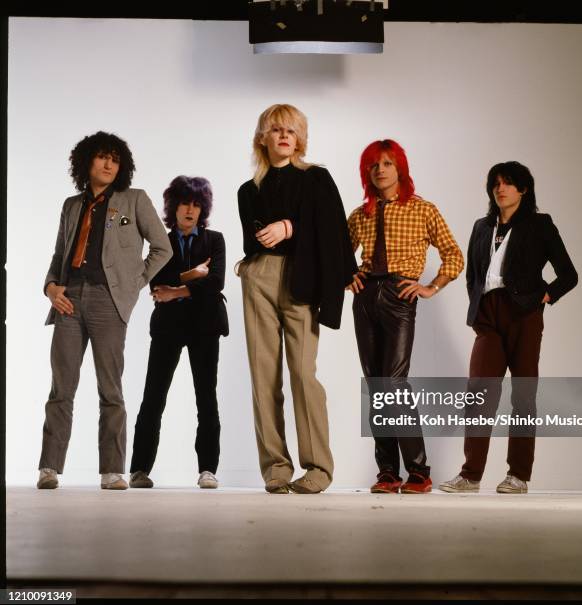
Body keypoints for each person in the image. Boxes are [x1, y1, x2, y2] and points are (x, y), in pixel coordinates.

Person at [38, 131, 172, 490]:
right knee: (61, 387)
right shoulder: (71, 205)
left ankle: (112, 470)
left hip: (108, 302)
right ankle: (49, 467)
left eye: (115, 158)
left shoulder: (134, 200)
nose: (109, 163)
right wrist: (51, 287)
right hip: (68, 301)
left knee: (110, 389)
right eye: (102, 157)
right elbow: (57, 256)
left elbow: (163, 249)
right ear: (87, 162)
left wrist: (133, 284)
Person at [237, 103, 357, 494]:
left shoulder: (316, 179)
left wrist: (290, 227)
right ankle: (275, 468)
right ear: (263, 138)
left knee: (303, 374)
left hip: (301, 277)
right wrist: (253, 258)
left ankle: (318, 468)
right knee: (263, 375)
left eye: (291, 130)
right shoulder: (249, 190)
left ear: (300, 138)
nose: (284, 136)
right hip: (259, 275)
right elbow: (254, 234)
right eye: (275, 130)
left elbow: (333, 226)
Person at [439, 161, 578, 494]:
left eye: (508, 183)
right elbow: (473, 273)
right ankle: (470, 475)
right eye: (496, 183)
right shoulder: (481, 227)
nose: (500, 188)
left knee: (523, 395)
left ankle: (518, 475)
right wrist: (478, 304)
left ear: (524, 189)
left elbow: (568, 275)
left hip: (524, 315)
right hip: (489, 315)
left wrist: (543, 297)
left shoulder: (539, 225)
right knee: (479, 393)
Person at [347, 139, 464, 494]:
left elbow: (454, 256)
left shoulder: (422, 209)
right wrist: (346, 275)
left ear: (400, 168)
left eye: (386, 163)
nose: (380, 170)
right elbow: (338, 254)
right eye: (373, 165)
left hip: (400, 295)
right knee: (376, 385)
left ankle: (418, 471)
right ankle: (387, 472)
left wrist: (430, 287)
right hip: (366, 297)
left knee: (394, 384)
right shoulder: (359, 214)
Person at [129, 176, 228, 489]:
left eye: (197, 204)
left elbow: (216, 283)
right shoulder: (163, 242)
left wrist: (176, 291)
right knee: (153, 397)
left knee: (206, 397)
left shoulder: (215, 240)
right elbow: (154, 279)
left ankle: (208, 469)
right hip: (168, 328)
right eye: (185, 203)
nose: (190, 210)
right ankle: (139, 469)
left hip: (204, 325)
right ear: (174, 207)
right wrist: (192, 275)